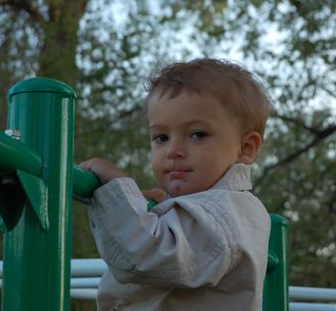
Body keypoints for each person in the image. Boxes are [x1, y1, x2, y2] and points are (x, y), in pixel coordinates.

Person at [80, 58, 272, 311]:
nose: (173, 151)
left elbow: (145, 257)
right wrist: (148, 210)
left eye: (197, 134)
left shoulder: (225, 212)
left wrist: (116, 188)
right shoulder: (224, 209)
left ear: (245, 148)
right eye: (161, 137)